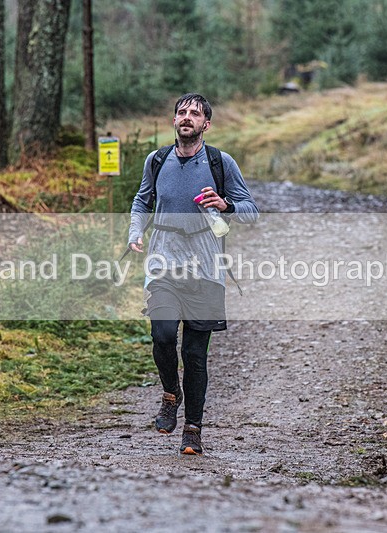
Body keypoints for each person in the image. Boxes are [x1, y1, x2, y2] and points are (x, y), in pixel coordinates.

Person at [128, 93, 259, 455]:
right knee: (163, 334)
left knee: (196, 354)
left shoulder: (220, 162)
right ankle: (171, 393)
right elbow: (142, 200)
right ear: (174, 121)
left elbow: (251, 210)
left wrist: (226, 203)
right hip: (163, 262)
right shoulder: (157, 160)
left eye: (195, 113)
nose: (188, 117)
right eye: (182, 112)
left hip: (205, 268)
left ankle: (193, 429)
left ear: (206, 125)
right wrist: (135, 231)